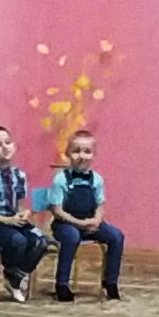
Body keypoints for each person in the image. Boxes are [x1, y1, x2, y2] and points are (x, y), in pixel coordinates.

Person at [48, 129, 126, 302]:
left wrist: (96, 221)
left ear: (93, 155)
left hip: (90, 221)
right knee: (71, 237)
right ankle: (62, 284)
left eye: (87, 151)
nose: (82, 156)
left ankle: (110, 281)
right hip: (66, 222)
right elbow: (57, 210)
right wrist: (80, 223)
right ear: (68, 153)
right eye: (76, 151)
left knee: (116, 236)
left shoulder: (96, 179)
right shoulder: (60, 179)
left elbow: (100, 204)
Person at [0, 125, 48, 301]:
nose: (5, 147)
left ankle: (15, 276)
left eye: (8, 142)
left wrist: (24, 213)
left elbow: (19, 205)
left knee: (41, 240)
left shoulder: (19, 176)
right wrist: (7, 221)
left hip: (13, 222)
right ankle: (13, 275)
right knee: (18, 240)